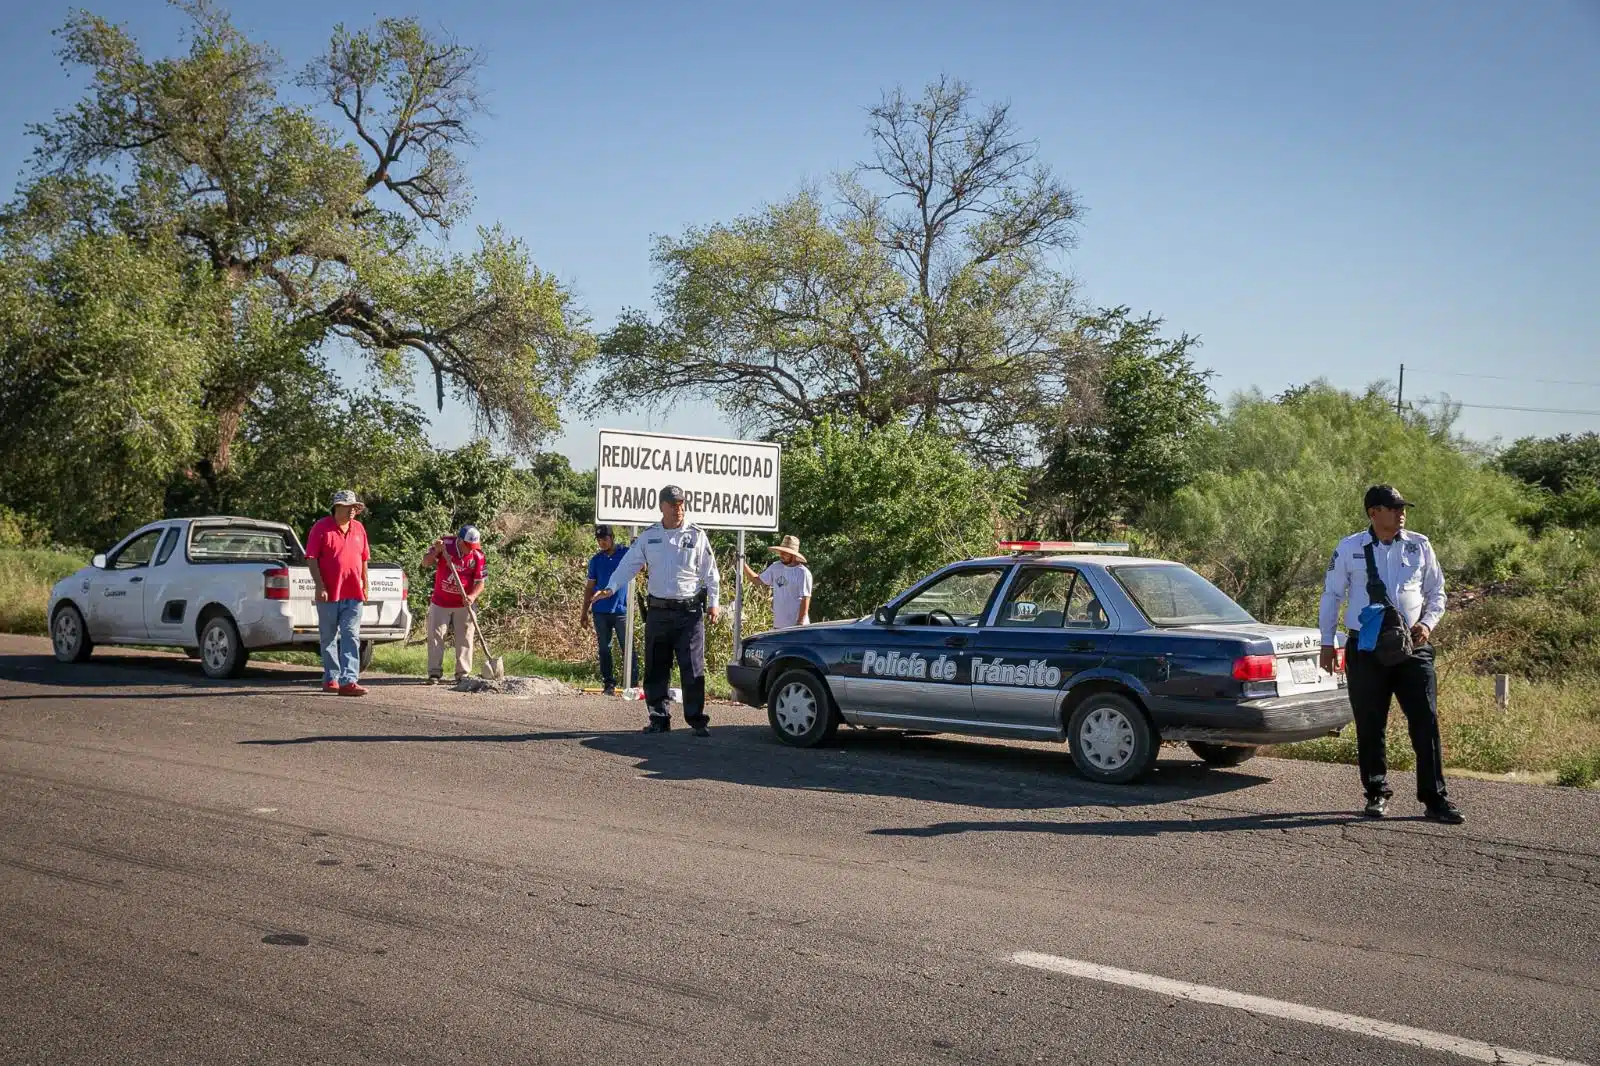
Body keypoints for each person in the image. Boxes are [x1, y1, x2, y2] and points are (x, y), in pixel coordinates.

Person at [1319, 484, 1463, 824]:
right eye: (1393, 507)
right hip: (1366, 648)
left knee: (1425, 723)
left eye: (1402, 508)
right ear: (1373, 513)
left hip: (1413, 646)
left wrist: (1427, 624)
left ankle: (1435, 798)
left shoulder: (1419, 545)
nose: (1401, 513)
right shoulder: (1350, 548)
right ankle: (1376, 792)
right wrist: (1328, 643)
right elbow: (1332, 596)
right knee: (1371, 724)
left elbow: (1436, 592)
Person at [593, 485, 721, 736]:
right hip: (659, 611)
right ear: (661, 506)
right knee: (656, 665)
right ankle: (659, 718)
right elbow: (628, 565)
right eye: (673, 504)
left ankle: (696, 720)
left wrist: (714, 602)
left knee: (693, 668)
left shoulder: (696, 535)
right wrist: (609, 588)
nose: (679, 509)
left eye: (682, 504)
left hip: (689, 612)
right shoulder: (649, 536)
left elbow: (711, 572)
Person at [305, 490, 371, 697]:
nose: (353, 511)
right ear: (337, 507)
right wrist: (319, 585)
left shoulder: (359, 528)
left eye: (354, 507)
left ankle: (349, 680)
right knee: (329, 637)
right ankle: (331, 677)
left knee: (351, 635)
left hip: (353, 592)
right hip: (329, 592)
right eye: (348, 507)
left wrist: (365, 583)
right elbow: (312, 558)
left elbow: (364, 558)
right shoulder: (321, 527)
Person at [422, 525, 487, 685]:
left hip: (464, 604)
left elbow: (481, 583)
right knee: (436, 636)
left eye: (473, 547)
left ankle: (462, 674)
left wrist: (472, 596)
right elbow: (425, 563)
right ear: (460, 541)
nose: (470, 550)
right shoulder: (445, 544)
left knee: (465, 637)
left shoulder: (478, 556)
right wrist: (435, 551)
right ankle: (434, 673)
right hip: (440, 602)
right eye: (468, 546)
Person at [582, 524, 640, 695]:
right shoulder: (596, 560)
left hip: (621, 610)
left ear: (612, 537)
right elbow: (590, 587)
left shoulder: (625, 553)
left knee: (627, 647)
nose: (602, 543)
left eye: (605, 539)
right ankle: (609, 684)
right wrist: (584, 612)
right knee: (604, 649)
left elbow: (642, 566)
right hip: (600, 610)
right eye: (599, 540)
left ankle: (633, 684)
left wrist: (637, 546)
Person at [740, 534, 813, 629]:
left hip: (796, 627)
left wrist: (800, 623)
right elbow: (758, 581)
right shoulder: (776, 567)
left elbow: (805, 598)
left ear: (793, 555)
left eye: (785, 553)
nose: (782, 555)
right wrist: (743, 565)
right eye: (781, 552)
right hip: (778, 626)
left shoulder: (803, 573)